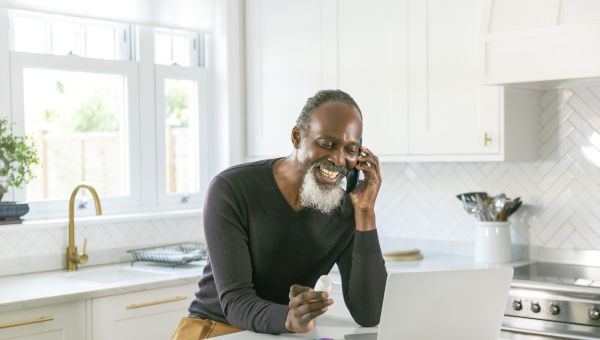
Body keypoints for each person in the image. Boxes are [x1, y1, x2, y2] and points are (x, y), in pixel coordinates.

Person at [171, 89, 387, 339]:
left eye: (351, 149)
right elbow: (235, 300)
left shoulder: (347, 209)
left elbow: (370, 313)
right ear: (297, 137)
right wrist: (287, 318)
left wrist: (365, 212)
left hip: (282, 333)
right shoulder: (232, 189)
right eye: (327, 144)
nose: (339, 160)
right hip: (217, 330)